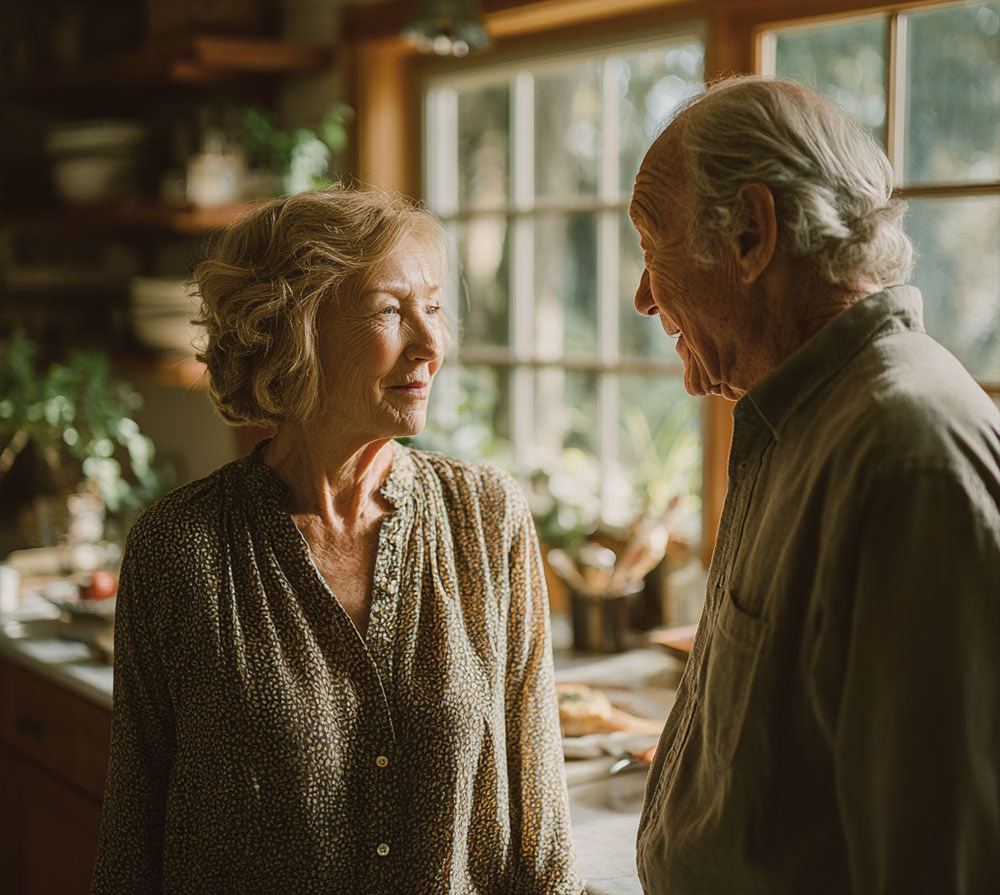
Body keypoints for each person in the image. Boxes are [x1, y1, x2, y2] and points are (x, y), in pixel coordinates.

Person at [92, 188, 581, 894]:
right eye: (391, 310)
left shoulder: (486, 519)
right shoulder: (181, 550)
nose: (431, 344)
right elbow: (131, 842)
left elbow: (544, 840)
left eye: (435, 308)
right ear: (297, 330)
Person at [629, 76, 1000, 893]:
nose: (643, 295)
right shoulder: (805, 419)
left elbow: (940, 862)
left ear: (753, 235)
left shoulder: (907, 454)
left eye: (652, 247)